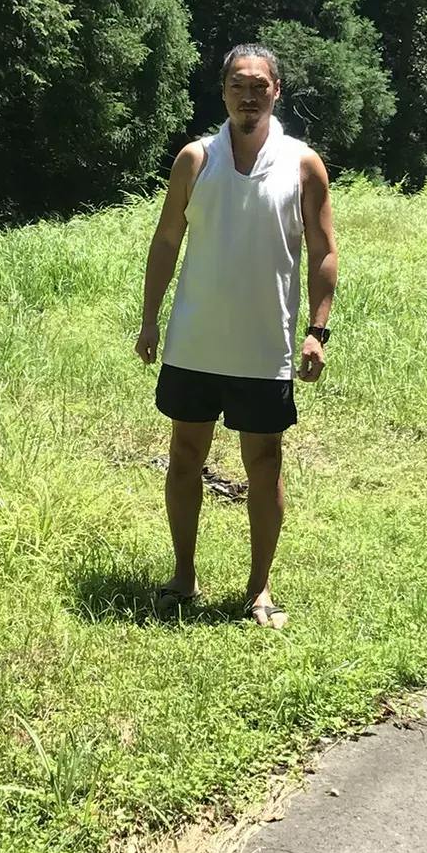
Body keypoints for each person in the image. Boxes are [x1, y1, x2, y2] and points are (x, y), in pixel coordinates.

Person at [136, 44, 338, 628]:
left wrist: (317, 331)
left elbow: (324, 252)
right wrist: (149, 318)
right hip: (194, 342)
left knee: (265, 463)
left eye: (259, 86)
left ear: (277, 91)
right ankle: (182, 577)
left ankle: (259, 589)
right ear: (223, 91)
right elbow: (167, 240)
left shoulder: (303, 164)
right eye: (237, 86)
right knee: (185, 456)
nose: (248, 96)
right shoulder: (196, 159)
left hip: (264, 347)